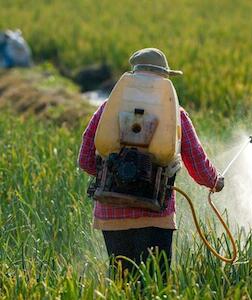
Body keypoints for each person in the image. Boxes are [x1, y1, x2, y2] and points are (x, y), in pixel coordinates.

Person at [78, 48, 224, 279]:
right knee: (155, 285)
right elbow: (197, 162)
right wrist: (215, 181)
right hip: (156, 214)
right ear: (164, 79)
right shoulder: (176, 114)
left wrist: (116, 172)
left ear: (134, 76)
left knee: (122, 285)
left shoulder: (108, 109)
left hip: (111, 215)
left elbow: (85, 160)